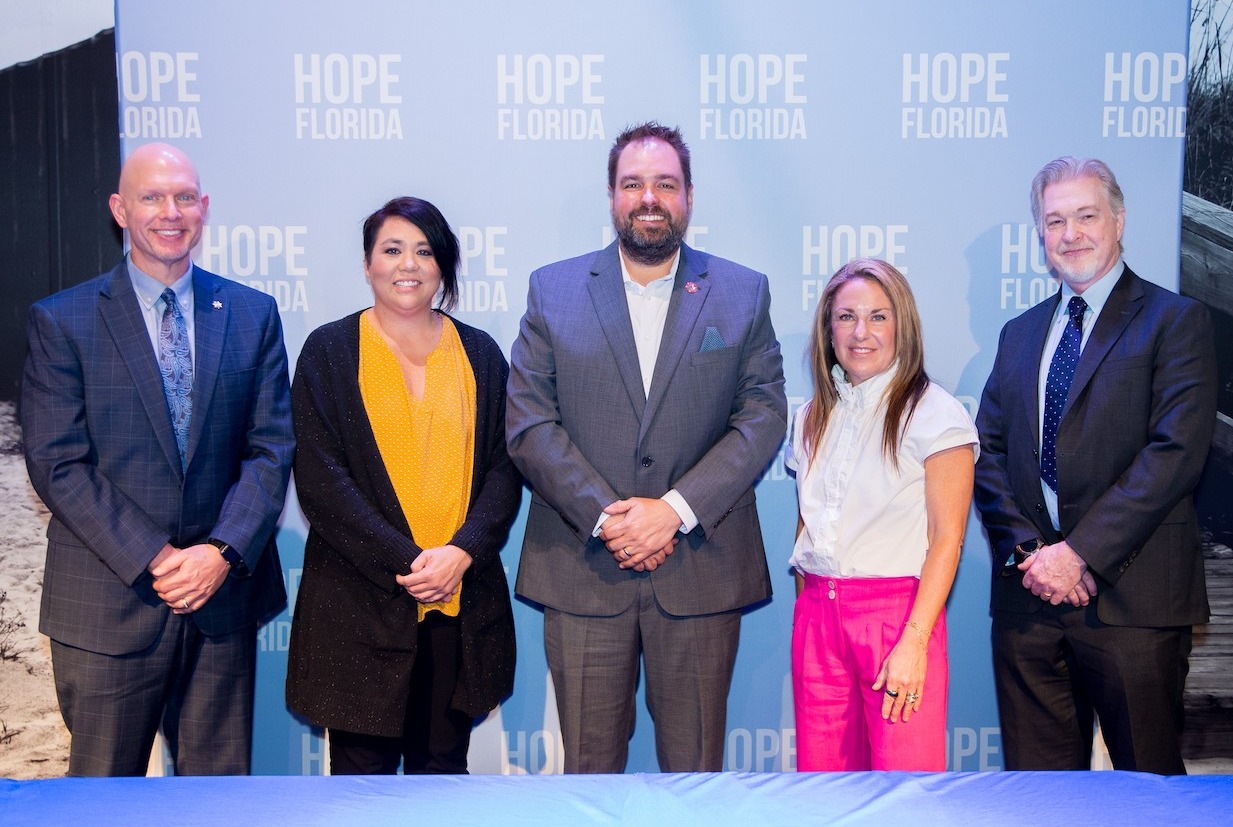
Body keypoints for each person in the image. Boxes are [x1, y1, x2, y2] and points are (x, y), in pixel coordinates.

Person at [506, 121, 788, 773]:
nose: (649, 197)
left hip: (700, 567)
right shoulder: (552, 289)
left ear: (689, 195)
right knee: (587, 777)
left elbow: (762, 415)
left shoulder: (742, 292)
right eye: (633, 183)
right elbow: (527, 422)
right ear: (612, 197)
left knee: (694, 778)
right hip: (582, 570)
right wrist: (610, 517)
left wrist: (674, 509)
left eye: (665, 183)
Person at [21, 143, 294, 776]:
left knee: (216, 802)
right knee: (102, 800)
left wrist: (220, 553)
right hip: (108, 605)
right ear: (120, 209)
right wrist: (160, 558)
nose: (170, 212)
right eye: (151, 197)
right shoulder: (63, 321)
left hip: (221, 601)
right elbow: (58, 463)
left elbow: (271, 448)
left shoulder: (252, 314)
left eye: (185, 197)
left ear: (204, 209)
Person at [974, 156, 1218, 773]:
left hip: (1132, 603)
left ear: (1120, 220)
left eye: (1086, 215)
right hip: (1030, 603)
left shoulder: (1175, 321)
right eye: (1055, 221)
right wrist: (1033, 554)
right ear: (1041, 236)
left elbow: (1175, 455)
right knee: (1038, 801)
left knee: (1149, 797)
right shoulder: (1018, 334)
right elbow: (990, 453)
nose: (1071, 234)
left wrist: (1078, 554)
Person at [286, 197, 520, 775]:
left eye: (424, 251)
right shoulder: (330, 352)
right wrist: (413, 562)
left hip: (457, 605)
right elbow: (321, 482)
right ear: (367, 264)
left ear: (444, 266)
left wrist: (460, 554)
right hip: (359, 611)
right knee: (359, 789)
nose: (407, 264)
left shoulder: (481, 355)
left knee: (442, 775)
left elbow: (505, 468)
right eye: (392, 250)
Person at [786, 258, 976, 771]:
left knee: (904, 792)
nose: (861, 332)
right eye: (846, 317)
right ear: (828, 329)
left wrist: (914, 642)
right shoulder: (809, 417)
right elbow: (809, 520)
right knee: (823, 791)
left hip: (898, 619)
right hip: (818, 620)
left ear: (902, 325)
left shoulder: (936, 413)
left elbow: (947, 540)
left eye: (878, 316)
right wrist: (811, 613)